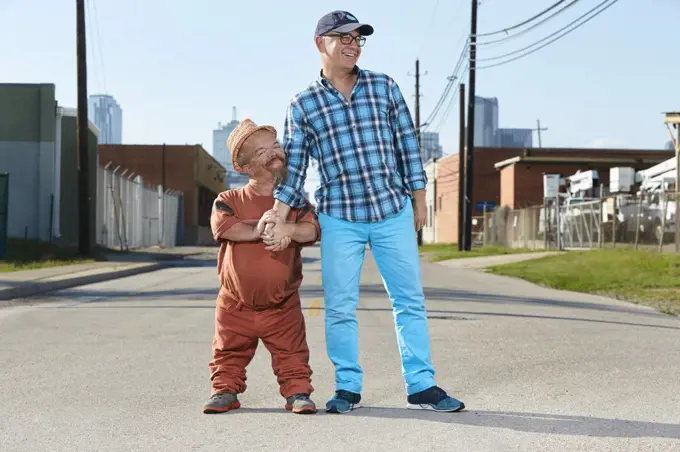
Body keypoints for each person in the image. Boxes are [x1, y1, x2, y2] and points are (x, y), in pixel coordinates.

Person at [265, 10, 465, 414]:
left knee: (409, 300)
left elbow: (408, 144)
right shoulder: (303, 104)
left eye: (358, 38)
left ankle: (422, 384)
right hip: (340, 217)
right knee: (340, 306)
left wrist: (420, 197)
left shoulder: (384, 87)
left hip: (392, 210)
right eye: (343, 37)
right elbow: (297, 167)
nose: (353, 44)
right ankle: (347, 388)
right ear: (321, 43)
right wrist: (279, 212)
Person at [203, 118, 320, 415]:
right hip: (235, 305)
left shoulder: (295, 203)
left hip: (282, 305)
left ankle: (297, 392)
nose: (273, 153)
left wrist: (288, 230)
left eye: (275, 146)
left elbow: (312, 230)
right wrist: (263, 228)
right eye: (260, 152)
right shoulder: (229, 198)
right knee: (228, 350)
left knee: (292, 352)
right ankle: (224, 390)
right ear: (243, 167)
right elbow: (226, 227)